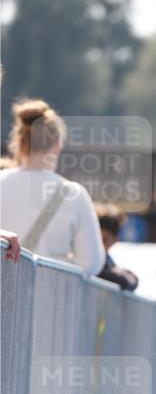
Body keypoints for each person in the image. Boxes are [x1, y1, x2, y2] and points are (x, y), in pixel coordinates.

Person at [0, 99, 105, 275]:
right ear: (57, 144)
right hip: (49, 298)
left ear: (20, 141)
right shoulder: (74, 194)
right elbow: (91, 263)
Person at [96, 204, 139, 291]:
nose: (99, 244)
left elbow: (130, 280)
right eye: (96, 238)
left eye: (104, 240)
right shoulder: (85, 258)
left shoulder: (108, 262)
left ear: (115, 240)